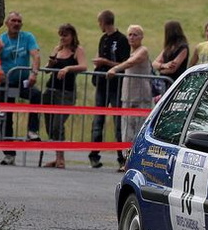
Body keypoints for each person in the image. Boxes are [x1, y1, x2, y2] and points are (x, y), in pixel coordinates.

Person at [0, 11, 42, 165]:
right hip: (6, 83)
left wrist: (34, 74)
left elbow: (35, 55)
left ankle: (32, 130)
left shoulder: (27, 37)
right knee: (6, 116)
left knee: (36, 95)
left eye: (19, 21)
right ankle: (9, 153)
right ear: (7, 23)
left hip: (24, 81)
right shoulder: (2, 39)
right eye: (13, 21)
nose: (16, 24)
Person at [107, 24, 152, 172]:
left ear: (141, 37)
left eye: (135, 35)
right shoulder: (130, 52)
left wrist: (115, 68)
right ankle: (128, 161)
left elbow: (132, 62)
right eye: (130, 34)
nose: (132, 37)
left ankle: (138, 163)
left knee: (139, 129)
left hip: (141, 97)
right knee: (127, 131)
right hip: (127, 96)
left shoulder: (142, 51)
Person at [42, 24, 88, 169]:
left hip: (66, 92)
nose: (63, 38)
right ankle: (57, 157)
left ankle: (61, 158)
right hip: (51, 90)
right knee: (50, 125)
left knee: (58, 124)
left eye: (66, 35)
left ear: (72, 36)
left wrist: (68, 68)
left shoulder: (77, 50)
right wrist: (50, 63)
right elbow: (47, 70)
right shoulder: (57, 49)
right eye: (61, 35)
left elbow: (83, 66)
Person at [90, 10, 130, 169]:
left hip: (116, 86)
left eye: (99, 22)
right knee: (97, 120)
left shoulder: (121, 40)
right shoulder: (103, 39)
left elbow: (124, 63)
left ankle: (121, 158)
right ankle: (94, 155)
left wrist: (105, 62)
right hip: (101, 85)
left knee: (118, 122)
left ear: (103, 22)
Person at [152, 20, 190, 85]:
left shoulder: (183, 48)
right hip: (165, 82)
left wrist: (160, 69)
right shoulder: (168, 47)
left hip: (176, 82)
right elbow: (154, 64)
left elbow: (172, 69)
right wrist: (164, 65)